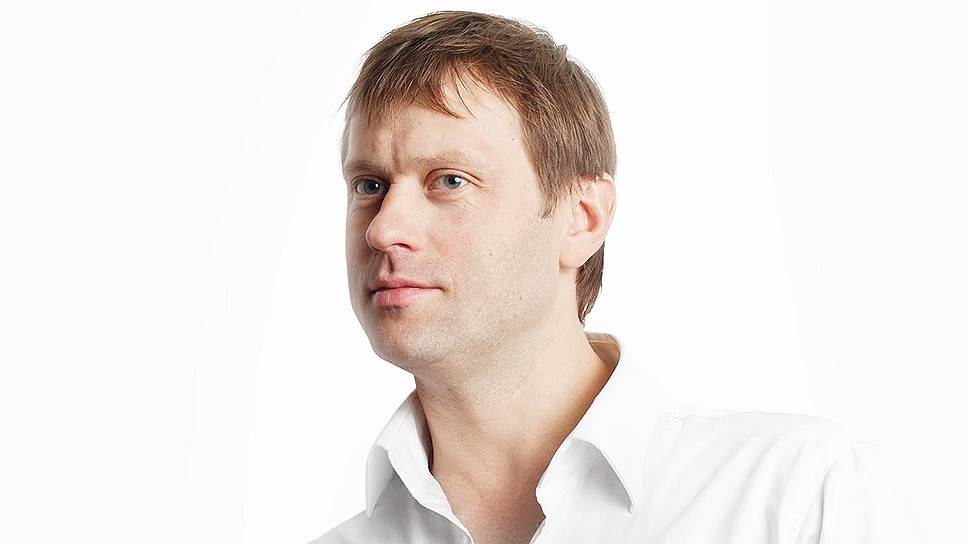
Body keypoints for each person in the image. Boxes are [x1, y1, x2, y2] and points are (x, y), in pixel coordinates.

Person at [311, 10, 921, 544]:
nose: (383, 228)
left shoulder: (796, 499)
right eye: (369, 185)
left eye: (450, 181)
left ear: (583, 218)